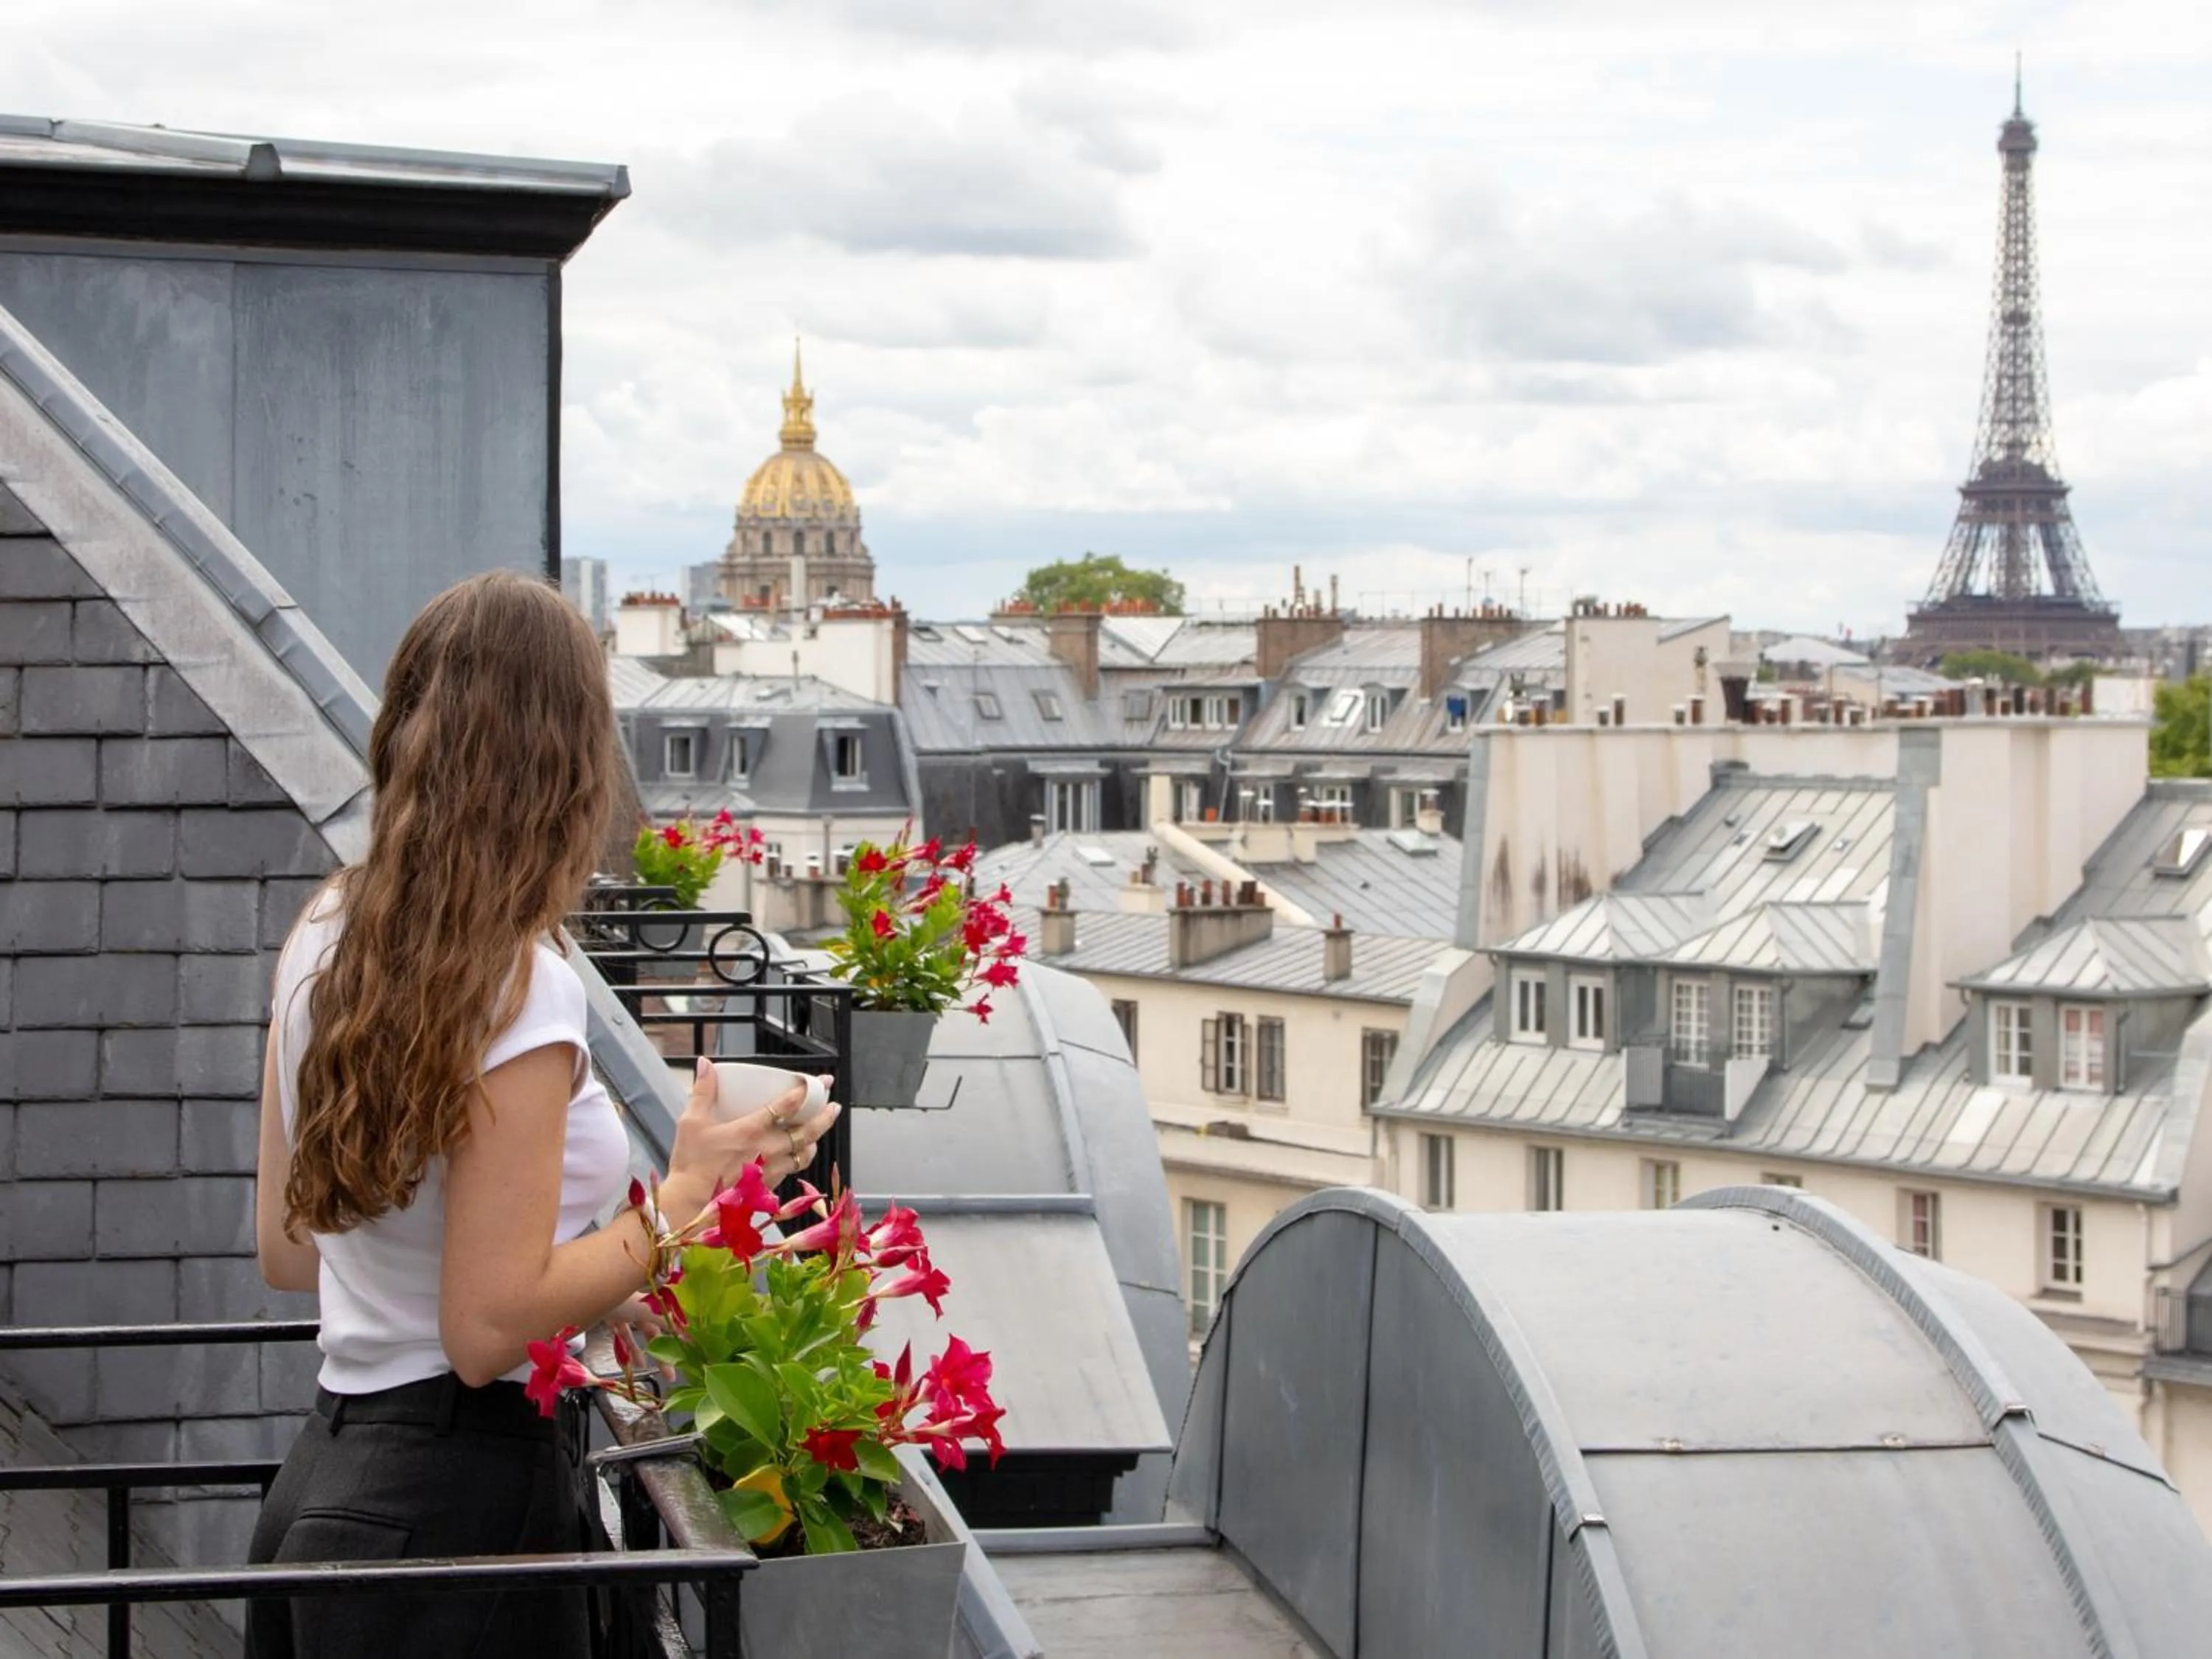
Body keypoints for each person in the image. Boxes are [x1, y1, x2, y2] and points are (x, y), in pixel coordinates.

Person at [246, 571, 838, 1657]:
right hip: (461, 1520)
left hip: (323, 1491)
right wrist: (675, 1206)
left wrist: (630, 1245)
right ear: (563, 767)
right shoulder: (518, 982)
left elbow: (292, 1249)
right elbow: (484, 1329)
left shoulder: (324, 931)